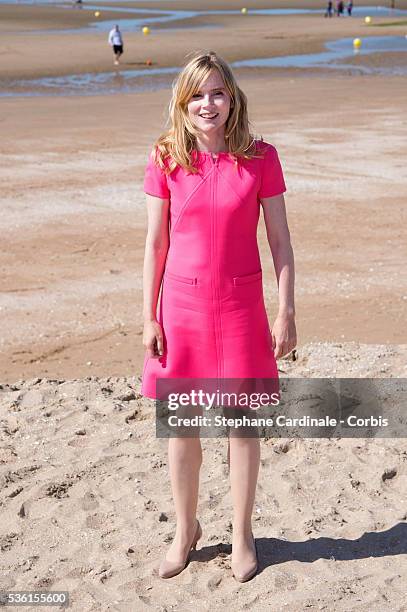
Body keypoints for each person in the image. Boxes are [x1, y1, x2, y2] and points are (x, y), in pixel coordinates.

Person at [141, 51, 296, 582]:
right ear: (183, 104)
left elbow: (280, 240)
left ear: (232, 98)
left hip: (240, 307)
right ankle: (185, 529)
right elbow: (155, 243)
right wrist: (149, 315)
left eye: (217, 93)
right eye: (197, 95)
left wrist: (286, 311)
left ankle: (242, 532)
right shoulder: (166, 158)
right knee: (181, 430)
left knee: (240, 426)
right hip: (179, 308)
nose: (208, 104)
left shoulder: (260, 157)